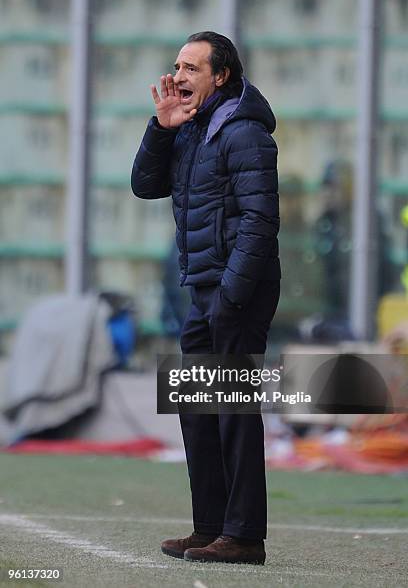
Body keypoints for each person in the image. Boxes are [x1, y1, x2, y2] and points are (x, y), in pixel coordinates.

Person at [131, 31, 280, 565]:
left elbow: (261, 221)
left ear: (221, 76)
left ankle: (243, 536)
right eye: (177, 66)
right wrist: (161, 128)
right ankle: (210, 527)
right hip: (203, 288)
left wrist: (233, 296)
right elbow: (145, 185)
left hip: (237, 289)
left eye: (192, 68)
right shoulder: (192, 130)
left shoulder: (243, 134)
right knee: (195, 408)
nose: (179, 76)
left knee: (234, 410)